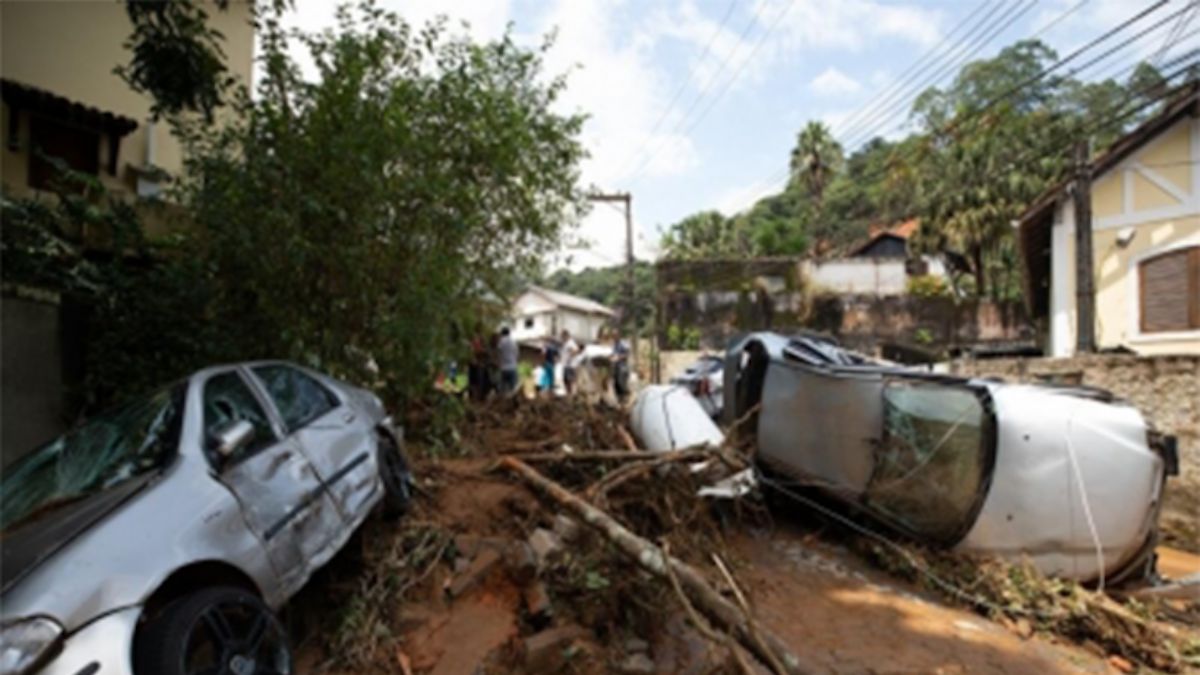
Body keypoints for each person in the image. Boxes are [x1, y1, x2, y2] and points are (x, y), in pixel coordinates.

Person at [611, 328, 630, 403]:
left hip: (622, 366)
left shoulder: (623, 343)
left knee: (621, 382)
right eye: (613, 336)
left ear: (619, 335)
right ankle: (619, 399)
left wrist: (619, 357)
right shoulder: (614, 345)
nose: (614, 337)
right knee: (615, 383)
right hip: (615, 366)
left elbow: (627, 354)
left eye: (615, 335)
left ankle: (625, 397)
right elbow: (613, 354)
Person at [498, 327, 518, 394]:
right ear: (509, 333)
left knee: (504, 389)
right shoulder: (513, 342)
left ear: (502, 333)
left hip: (504, 368)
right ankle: (513, 402)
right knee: (513, 389)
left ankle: (504, 402)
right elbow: (517, 354)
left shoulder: (501, 341)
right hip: (513, 367)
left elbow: (499, 352)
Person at [560, 330, 580, 395]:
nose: (562, 338)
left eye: (562, 336)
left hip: (571, 365)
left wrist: (569, 357)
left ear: (566, 336)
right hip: (566, 365)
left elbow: (576, 350)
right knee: (565, 380)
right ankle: (568, 393)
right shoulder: (566, 343)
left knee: (571, 380)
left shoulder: (571, 342)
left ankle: (572, 394)